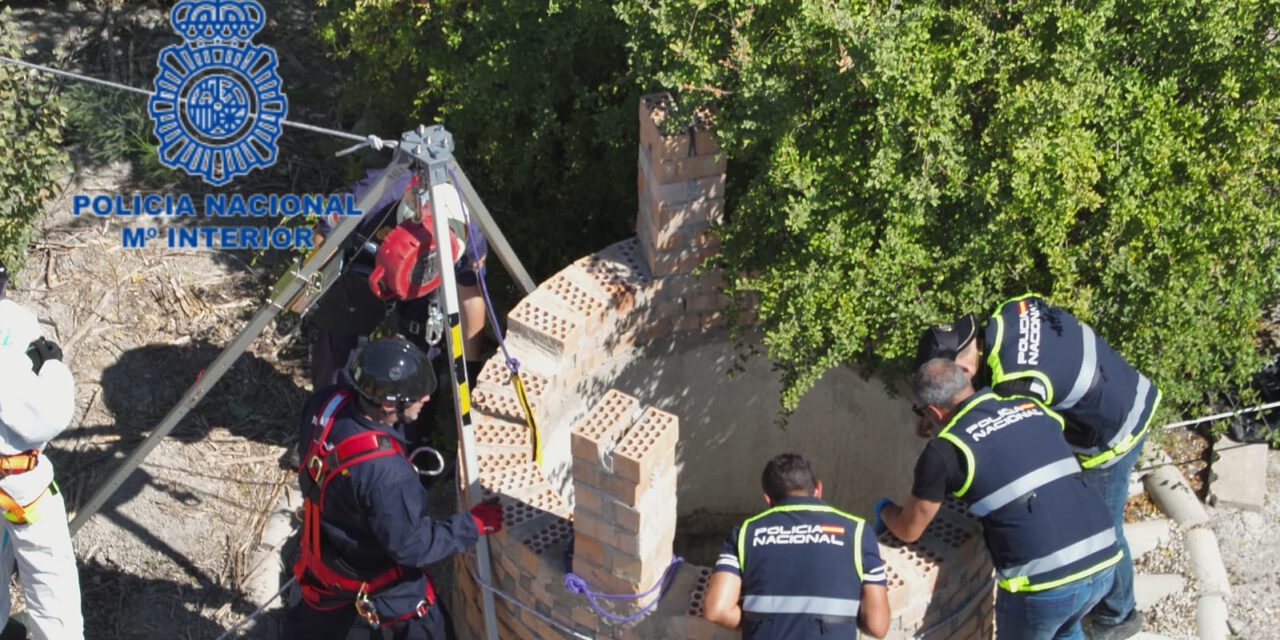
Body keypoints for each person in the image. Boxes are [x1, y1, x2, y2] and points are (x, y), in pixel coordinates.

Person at [916, 294, 1159, 638]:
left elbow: (1021, 446)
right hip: (1130, 389)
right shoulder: (1007, 314)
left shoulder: (1018, 384)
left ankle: (1117, 617)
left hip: (1110, 434)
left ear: (964, 370)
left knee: (1103, 527)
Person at [881, 359, 1121, 640]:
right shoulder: (1027, 404)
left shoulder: (945, 451)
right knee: (1067, 630)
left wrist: (885, 509)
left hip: (1045, 583)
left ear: (932, 410)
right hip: (1104, 556)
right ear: (967, 380)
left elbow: (909, 529)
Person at [285, 336, 503, 639]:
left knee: (312, 628)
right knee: (427, 630)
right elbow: (412, 547)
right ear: (388, 404)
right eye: (417, 397)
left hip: (323, 553)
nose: (426, 400)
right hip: (371, 572)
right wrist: (474, 524)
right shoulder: (388, 474)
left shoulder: (329, 402)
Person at [704, 453, 889, 639]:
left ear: (768, 499)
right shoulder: (857, 531)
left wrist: (758, 624)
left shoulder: (745, 532)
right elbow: (878, 625)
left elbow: (717, 609)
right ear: (818, 489)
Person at [0, 259, 84, 640]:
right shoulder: (13, 323)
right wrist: (51, 365)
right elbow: (47, 415)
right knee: (52, 586)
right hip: (21, 482)